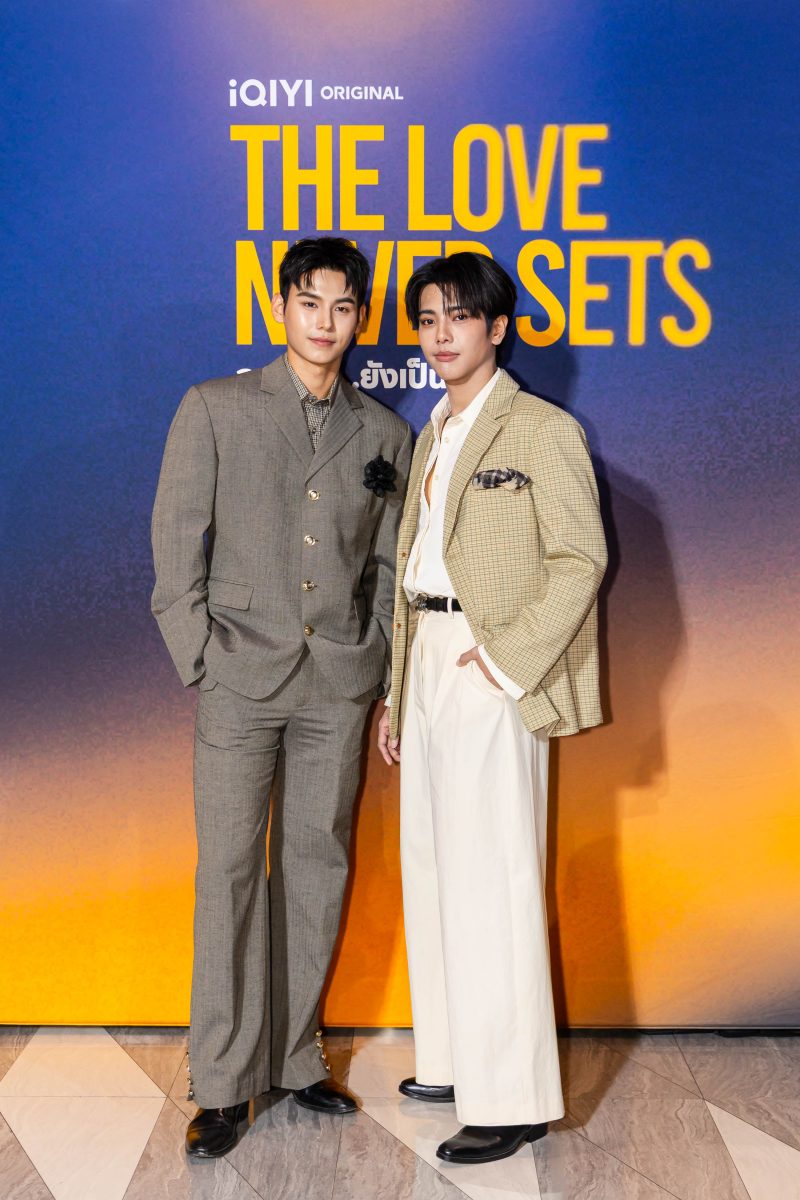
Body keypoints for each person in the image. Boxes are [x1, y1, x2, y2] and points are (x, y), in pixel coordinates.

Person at [152, 236, 412, 1158]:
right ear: (280, 308)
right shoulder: (214, 407)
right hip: (238, 680)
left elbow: (390, 569)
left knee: (316, 867)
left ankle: (298, 1058)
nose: (326, 322)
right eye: (310, 303)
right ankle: (224, 1083)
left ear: (361, 318)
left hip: (336, 687)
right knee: (227, 872)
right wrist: (200, 658)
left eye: (343, 307)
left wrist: (377, 665)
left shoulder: (385, 433)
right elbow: (175, 544)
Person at [377, 251, 607, 1165]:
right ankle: (452, 1060)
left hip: (492, 663)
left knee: (494, 878)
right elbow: (411, 570)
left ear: (497, 328)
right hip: (427, 659)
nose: (441, 334)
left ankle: (511, 1097)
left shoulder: (543, 429)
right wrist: (398, 691)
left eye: (459, 317)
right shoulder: (431, 431)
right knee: (433, 867)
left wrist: (505, 661)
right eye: (427, 319)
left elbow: (581, 559)